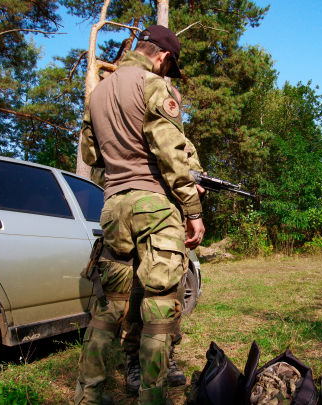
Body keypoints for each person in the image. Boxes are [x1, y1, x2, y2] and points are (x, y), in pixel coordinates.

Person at [75, 25, 205, 405]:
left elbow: (91, 155)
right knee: (160, 307)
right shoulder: (154, 84)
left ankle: (89, 395)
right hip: (154, 204)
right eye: (170, 67)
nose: (168, 74)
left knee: (108, 307)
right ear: (163, 57)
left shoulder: (98, 92)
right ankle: (152, 398)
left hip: (114, 206)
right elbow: (169, 154)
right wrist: (192, 210)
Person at [120, 85, 206, 396]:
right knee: (135, 291)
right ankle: (133, 360)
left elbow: (192, 172)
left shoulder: (183, 141)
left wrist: (196, 186)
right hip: (139, 221)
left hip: (169, 224)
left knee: (170, 293)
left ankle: (165, 357)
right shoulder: (135, 128)